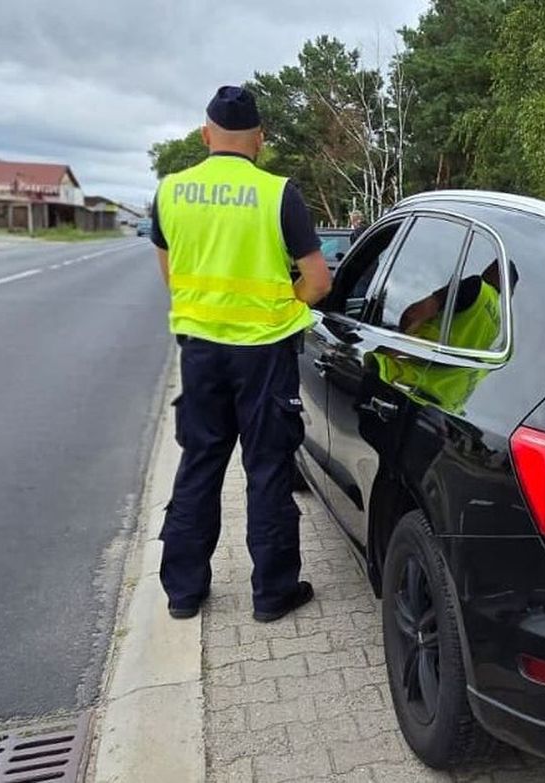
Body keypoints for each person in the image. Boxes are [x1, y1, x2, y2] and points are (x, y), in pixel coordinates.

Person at [150, 85, 332, 622]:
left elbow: (172, 278)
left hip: (202, 352)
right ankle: (273, 593)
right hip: (264, 356)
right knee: (268, 468)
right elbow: (318, 283)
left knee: (200, 463)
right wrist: (279, 306)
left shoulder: (171, 191)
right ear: (260, 140)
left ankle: (183, 592)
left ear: (206, 134)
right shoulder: (278, 194)